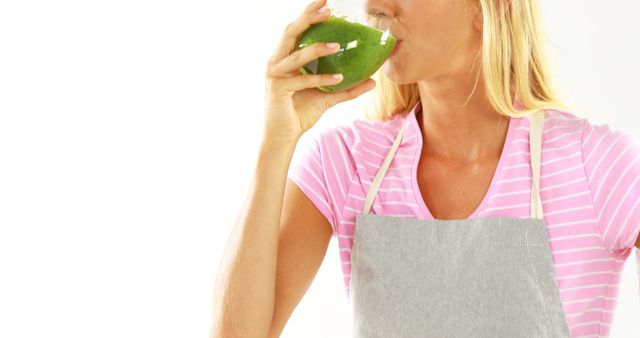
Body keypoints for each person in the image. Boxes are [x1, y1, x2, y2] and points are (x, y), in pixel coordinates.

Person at [211, 0, 640, 337]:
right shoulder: (347, 164)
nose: (374, 5)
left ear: (489, 7)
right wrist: (276, 141)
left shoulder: (595, 164)